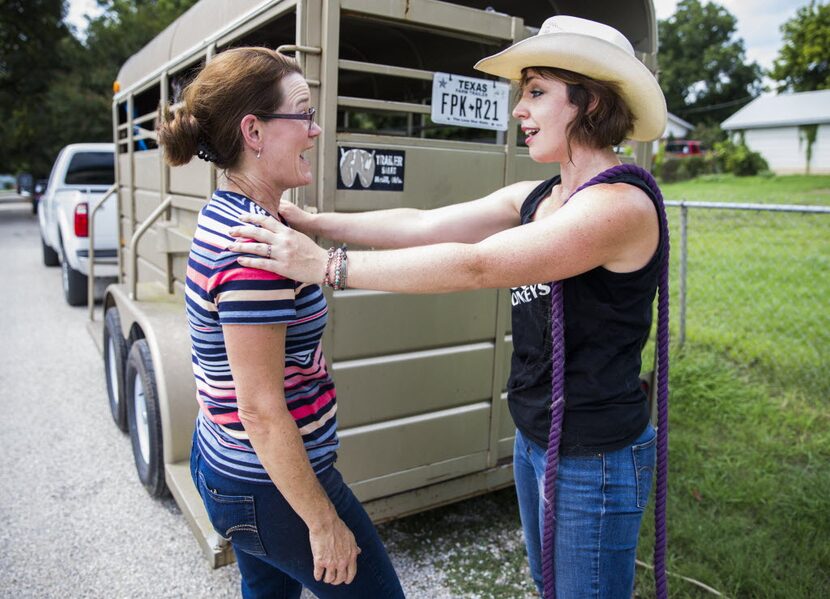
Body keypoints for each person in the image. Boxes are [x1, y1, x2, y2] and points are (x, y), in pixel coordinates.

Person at [227, 16, 671, 599]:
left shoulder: (618, 206)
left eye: (536, 92)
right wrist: (314, 222)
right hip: (539, 439)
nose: (519, 109)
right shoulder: (540, 196)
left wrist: (326, 266)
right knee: (549, 586)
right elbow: (423, 224)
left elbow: (476, 264)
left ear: (588, 103)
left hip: (597, 457)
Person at [156, 47, 405, 599]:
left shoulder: (232, 214)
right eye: (304, 113)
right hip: (270, 484)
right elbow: (261, 411)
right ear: (254, 131)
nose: (315, 131)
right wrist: (322, 522)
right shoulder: (256, 250)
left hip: (228, 462)